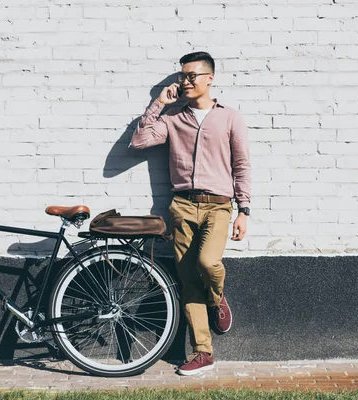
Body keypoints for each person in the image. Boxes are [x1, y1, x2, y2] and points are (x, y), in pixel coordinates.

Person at [130, 51, 251, 375]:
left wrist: (244, 210)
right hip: (182, 206)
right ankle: (202, 352)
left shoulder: (229, 118)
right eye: (181, 76)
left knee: (208, 263)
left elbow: (241, 165)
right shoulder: (173, 119)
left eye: (190, 76)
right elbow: (139, 141)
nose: (184, 81)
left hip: (219, 206)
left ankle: (216, 298)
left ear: (209, 78)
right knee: (187, 281)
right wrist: (158, 104)